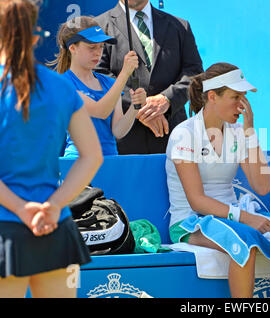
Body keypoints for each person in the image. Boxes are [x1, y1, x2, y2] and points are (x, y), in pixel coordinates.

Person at [165, 63, 270, 298]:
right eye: (235, 97)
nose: (242, 105)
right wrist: (245, 217)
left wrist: (249, 131)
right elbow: (197, 201)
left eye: (243, 97)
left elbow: (262, 186)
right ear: (212, 96)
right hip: (188, 222)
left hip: (232, 216)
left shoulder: (237, 131)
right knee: (246, 240)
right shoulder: (185, 133)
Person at [0, 0, 103, 297]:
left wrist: (22, 209)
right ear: (35, 37)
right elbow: (92, 157)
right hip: (57, 229)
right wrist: (54, 206)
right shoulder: (62, 88)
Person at [95, 0, 204, 154]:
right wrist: (141, 107)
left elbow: (195, 74)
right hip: (123, 140)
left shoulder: (180, 26)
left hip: (173, 138)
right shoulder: (98, 27)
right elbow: (97, 75)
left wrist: (167, 100)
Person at [49, 16, 147, 157]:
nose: (98, 53)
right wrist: (125, 73)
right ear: (72, 48)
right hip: (78, 162)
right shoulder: (62, 84)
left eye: (101, 47)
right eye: (92, 47)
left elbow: (118, 131)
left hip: (110, 161)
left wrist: (135, 107)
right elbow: (100, 111)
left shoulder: (110, 83)